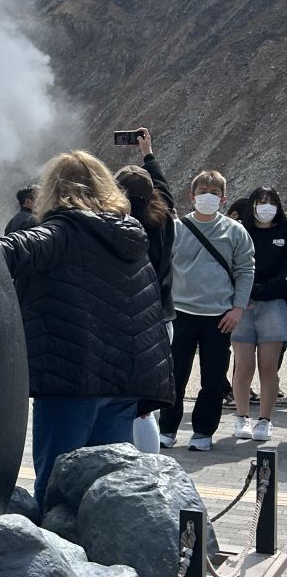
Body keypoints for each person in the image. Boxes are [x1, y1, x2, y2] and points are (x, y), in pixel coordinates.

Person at [0, 151, 172, 510]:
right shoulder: (129, 238)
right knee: (106, 492)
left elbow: (5, 251)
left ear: (54, 189)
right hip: (124, 383)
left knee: (57, 490)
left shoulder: (59, 233)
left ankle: (61, 562)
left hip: (71, 381)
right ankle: (106, 562)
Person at [158, 169, 255, 452]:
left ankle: (203, 431)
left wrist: (238, 308)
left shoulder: (235, 231)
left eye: (214, 193)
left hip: (219, 317)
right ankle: (167, 428)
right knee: (174, 375)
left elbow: (245, 269)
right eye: (202, 192)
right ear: (191, 196)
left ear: (223, 198)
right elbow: (164, 268)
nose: (207, 197)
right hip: (181, 313)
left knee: (213, 378)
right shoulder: (177, 229)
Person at [116, 129, 176, 452]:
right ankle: (150, 472)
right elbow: (164, 191)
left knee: (124, 408)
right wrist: (149, 155)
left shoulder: (121, 227)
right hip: (163, 321)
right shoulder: (164, 218)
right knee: (144, 411)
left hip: (133, 325)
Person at [229, 189, 287, 443]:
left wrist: (263, 290)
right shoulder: (241, 231)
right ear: (252, 205)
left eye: (271, 202)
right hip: (244, 305)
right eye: (261, 202)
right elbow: (234, 265)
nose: (266, 206)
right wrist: (244, 295)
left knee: (268, 366)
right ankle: (242, 416)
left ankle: (264, 420)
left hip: (273, 304)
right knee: (243, 366)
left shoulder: (284, 232)